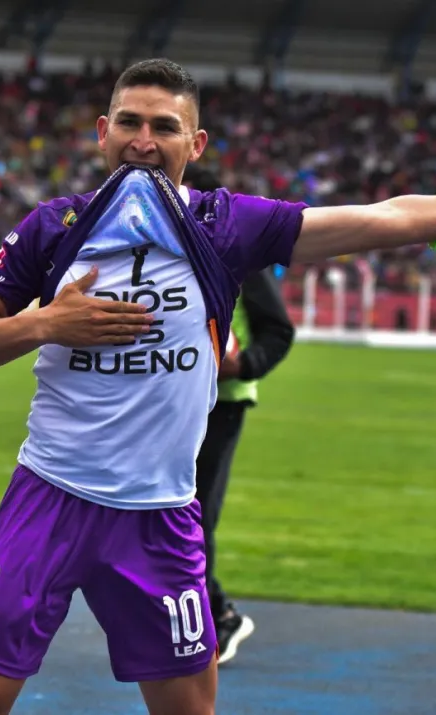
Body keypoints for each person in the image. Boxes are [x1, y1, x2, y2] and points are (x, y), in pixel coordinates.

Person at [0, 58, 436, 715]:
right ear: (101, 132)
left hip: (160, 515)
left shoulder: (226, 227)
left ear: (194, 145)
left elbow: (380, 219)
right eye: (130, 123)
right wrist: (47, 323)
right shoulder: (54, 229)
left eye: (164, 127)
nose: (144, 142)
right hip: (48, 498)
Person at [183, 165, 296, 666]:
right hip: (170, 398)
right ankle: (202, 615)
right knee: (162, 514)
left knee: (194, 516)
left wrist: (241, 364)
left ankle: (216, 618)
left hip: (222, 402)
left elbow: (278, 332)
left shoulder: (240, 255)